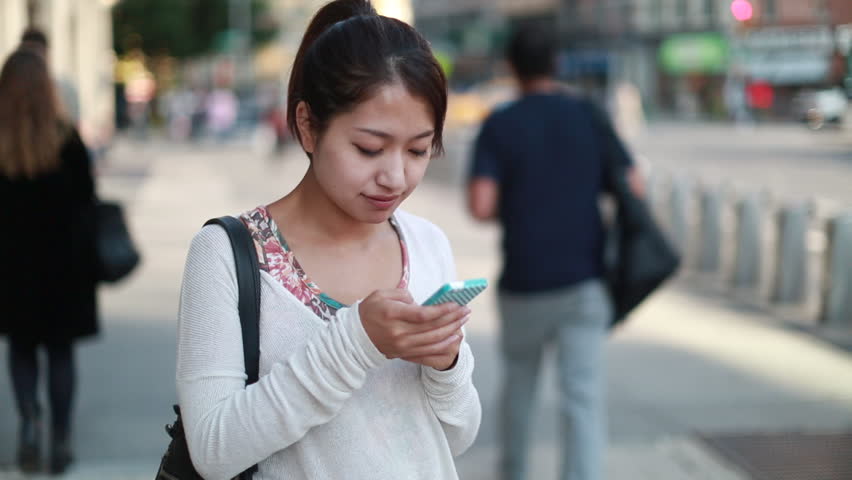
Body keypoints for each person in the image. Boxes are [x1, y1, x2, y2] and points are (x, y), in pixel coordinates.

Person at [175, 1, 481, 478]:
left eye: (419, 150)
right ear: (307, 125)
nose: (395, 177)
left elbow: (457, 436)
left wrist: (447, 366)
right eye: (369, 148)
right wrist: (357, 342)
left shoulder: (427, 244)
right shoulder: (227, 254)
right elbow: (214, 451)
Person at [467, 27, 642, 480]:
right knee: (582, 398)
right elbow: (634, 185)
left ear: (511, 68)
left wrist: (525, 200)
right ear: (557, 64)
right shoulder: (588, 114)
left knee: (519, 390)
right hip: (584, 281)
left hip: (524, 283)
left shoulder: (500, 123)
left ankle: (515, 473)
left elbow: (481, 205)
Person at [0, 49, 98, 475]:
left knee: (21, 350)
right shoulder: (67, 139)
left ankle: (28, 424)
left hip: (11, 270)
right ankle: (59, 439)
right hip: (63, 269)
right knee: (60, 354)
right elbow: (87, 202)